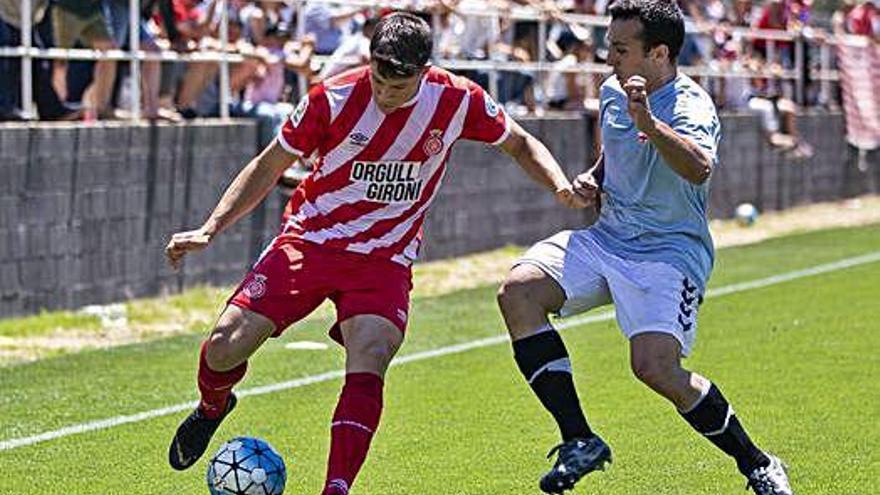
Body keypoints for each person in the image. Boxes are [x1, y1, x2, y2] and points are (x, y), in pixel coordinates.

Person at [164, 12, 587, 495]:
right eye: (380, 82)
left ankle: (337, 488)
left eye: (399, 87)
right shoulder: (331, 97)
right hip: (310, 241)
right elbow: (268, 165)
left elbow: (519, 142)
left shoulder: (458, 100)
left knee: (371, 353)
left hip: (384, 261)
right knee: (223, 345)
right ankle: (213, 407)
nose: (386, 95)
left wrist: (559, 186)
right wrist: (210, 228)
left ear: (425, 72)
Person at [495, 1, 794, 494]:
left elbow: (699, 167)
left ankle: (758, 463)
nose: (608, 58)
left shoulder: (691, 104)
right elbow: (611, 156)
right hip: (608, 238)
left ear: (658, 53)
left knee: (655, 369)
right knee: (518, 291)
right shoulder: (614, 90)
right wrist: (593, 179)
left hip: (668, 252)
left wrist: (651, 124)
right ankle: (579, 440)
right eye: (609, 46)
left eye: (620, 49)